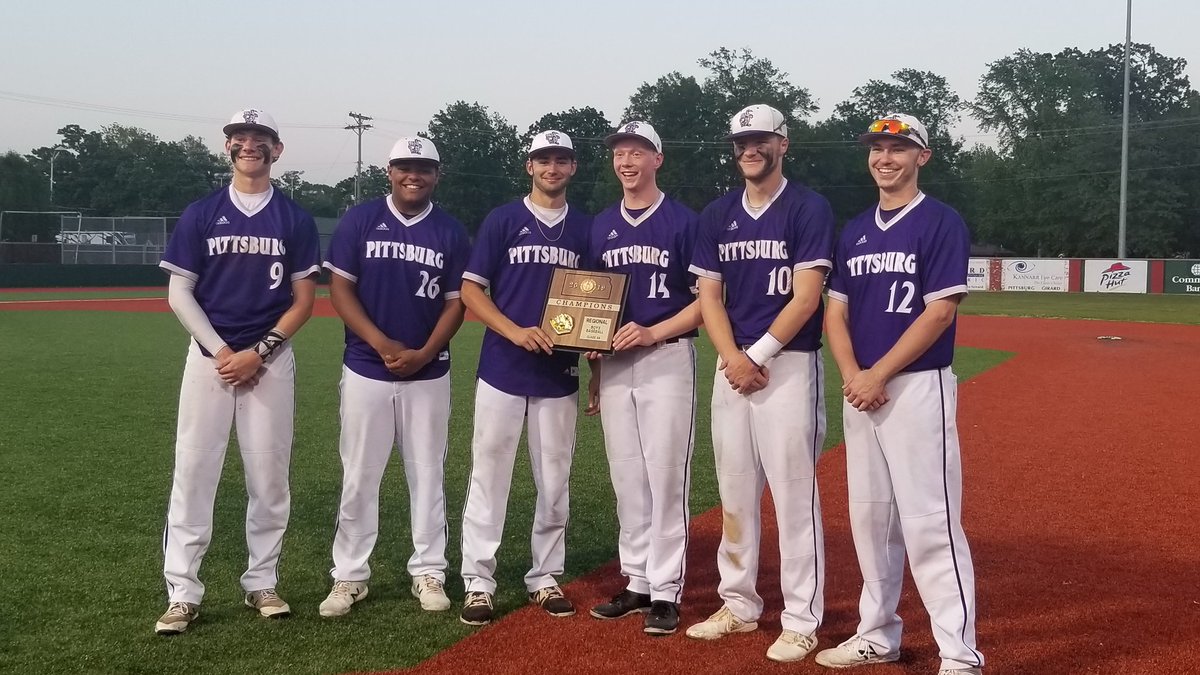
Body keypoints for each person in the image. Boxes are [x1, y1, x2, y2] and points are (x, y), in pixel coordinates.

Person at [816, 114, 984, 675]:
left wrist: (877, 374)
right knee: (870, 520)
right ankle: (877, 632)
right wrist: (853, 375)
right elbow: (834, 311)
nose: (885, 157)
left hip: (915, 388)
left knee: (930, 520)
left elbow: (939, 312)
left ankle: (960, 655)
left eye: (898, 148)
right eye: (878, 148)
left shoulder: (940, 221)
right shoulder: (856, 228)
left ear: (922, 157)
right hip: (861, 390)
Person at [155, 108, 320, 635]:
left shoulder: (293, 217)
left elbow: (303, 300)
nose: (249, 145)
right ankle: (183, 591)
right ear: (227, 147)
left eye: (260, 138)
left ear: (277, 149)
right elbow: (179, 291)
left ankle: (261, 582)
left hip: (270, 361)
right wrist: (223, 351)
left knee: (268, 475)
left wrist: (261, 351)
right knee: (194, 472)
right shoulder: (202, 212)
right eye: (240, 138)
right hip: (210, 360)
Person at [685, 104, 834, 662]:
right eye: (743, 140)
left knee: (795, 496)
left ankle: (801, 618)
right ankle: (739, 603)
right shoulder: (717, 213)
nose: (751, 148)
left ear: (782, 144)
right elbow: (710, 297)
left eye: (762, 139)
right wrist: (731, 358)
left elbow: (807, 295)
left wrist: (758, 355)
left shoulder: (807, 206)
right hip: (734, 369)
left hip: (788, 365)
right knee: (735, 492)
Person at [318, 137, 470, 618]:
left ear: (437, 175)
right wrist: (384, 345)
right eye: (406, 166)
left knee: (427, 473)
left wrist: (426, 351)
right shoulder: (360, 219)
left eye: (424, 168)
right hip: (366, 365)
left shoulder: (449, 231)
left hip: (429, 371)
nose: (414, 175)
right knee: (360, 473)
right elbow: (339, 290)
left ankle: (428, 569)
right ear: (389, 170)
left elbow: (456, 302)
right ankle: (349, 576)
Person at [457, 130, 591, 626]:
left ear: (573, 167)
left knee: (554, 480)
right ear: (529, 167)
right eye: (543, 160)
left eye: (561, 160)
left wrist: (594, 364)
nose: (552, 168)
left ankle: (545, 575)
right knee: (489, 476)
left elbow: (598, 302)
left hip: (559, 372)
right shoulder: (504, 219)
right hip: (502, 369)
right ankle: (478, 579)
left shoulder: (586, 227)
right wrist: (514, 331)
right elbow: (471, 290)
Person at [583, 121, 701, 636]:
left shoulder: (684, 221)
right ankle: (635, 578)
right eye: (620, 153)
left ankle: (666, 589)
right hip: (614, 363)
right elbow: (588, 299)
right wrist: (591, 357)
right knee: (626, 472)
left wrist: (653, 332)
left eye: (638, 152)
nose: (626, 161)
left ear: (658, 159)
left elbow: (706, 302)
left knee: (665, 473)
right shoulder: (601, 224)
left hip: (667, 357)